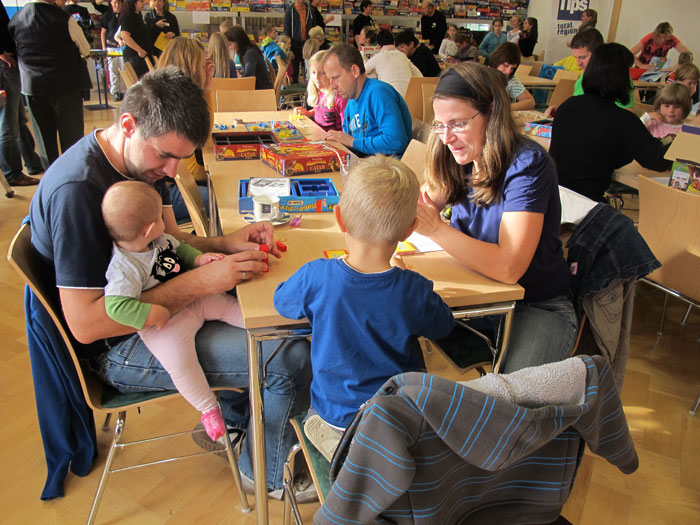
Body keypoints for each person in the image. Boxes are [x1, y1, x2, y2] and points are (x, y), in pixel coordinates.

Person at [28, 67, 313, 500]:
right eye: (165, 156)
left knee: (273, 306)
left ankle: (237, 422)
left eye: (181, 159)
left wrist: (225, 243)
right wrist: (201, 282)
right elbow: (86, 325)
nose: (172, 170)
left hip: (159, 316)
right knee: (290, 357)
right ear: (129, 124)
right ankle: (267, 474)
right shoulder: (78, 192)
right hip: (116, 346)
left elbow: (169, 241)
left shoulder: (139, 167)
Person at [274, 154, 454, 459]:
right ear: (409, 230)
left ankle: (345, 445)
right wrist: (413, 282)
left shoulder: (316, 276)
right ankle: (380, 452)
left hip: (334, 413)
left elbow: (281, 302)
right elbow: (444, 325)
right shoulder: (413, 289)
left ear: (340, 218)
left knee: (322, 413)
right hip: (396, 414)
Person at [416, 62, 577, 373]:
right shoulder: (459, 154)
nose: (446, 137)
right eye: (439, 124)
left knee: (512, 396)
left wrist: (436, 228)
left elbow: (508, 267)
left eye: (457, 123)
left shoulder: (527, 165)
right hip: (478, 296)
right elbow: (421, 205)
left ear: (491, 113)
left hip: (535, 305)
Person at [102, 181, 245, 441]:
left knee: (227, 306)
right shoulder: (123, 267)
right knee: (181, 365)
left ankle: (258, 324)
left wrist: (199, 259)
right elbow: (115, 307)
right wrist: (150, 314)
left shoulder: (157, 239)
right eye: (160, 218)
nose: (165, 223)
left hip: (194, 299)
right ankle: (208, 409)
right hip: (166, 327)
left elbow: (180, 249)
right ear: (148, 228)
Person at [550, 43, 672, 202]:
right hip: (587, 205)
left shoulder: (567, 106)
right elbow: (657, 160)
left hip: (551, 199)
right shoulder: (622, 119)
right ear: (621, 77)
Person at [8, 0, 91, 169]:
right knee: (71, 138)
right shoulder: (64, 19)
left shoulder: (16, 19)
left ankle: (51, 176)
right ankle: (72, 175)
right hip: (65, 85)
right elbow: (86, 49)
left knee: (44, 140)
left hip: (33, 86)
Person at [323, 44, 412, 157]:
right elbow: (351, 146)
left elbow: (396, 142)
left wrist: (352, 142)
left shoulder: (379, 92)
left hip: (386, 166)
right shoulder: (350, 104)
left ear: (355, 71)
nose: (332, 86)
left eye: (335, 77)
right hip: (364, 164)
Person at [0, 0, 44, 187]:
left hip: (8, 65)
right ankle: (12, 173)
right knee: (8, 123)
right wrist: (1, 53)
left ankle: (33, 163)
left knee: (18, 119)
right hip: (5, 67)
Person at [295, 50, 346, 131]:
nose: (317, 78)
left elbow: (347, 129)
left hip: (334, 138)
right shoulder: (319, 91)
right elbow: (320, 111)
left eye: (322, 73)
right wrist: (309, 113)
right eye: (313, 72)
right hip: (318, 134)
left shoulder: (340, 98)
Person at [365, 29, 422, 97]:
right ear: (394, 43)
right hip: (408, 97)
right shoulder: (402, 56)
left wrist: (374, 75)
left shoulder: (378, 57)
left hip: (389, 98)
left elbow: (361, 71)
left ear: (378, 46)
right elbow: (419, 75)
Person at [225, 25, 273, 90]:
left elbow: (248, 79)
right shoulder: (251, 50)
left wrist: (238, 75)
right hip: (261, 90)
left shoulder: (250, 54)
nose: (229, 48)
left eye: (230, 44)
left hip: (261, 92)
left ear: (238, 41)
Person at [488, 42, 534, 111]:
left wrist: (505, 107)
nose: (508, 72)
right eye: (505, 65)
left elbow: (530, 102)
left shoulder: (510, 80)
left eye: (512, 68)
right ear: (496, 61)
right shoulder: (482, 75)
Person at [119, 0, 153, 78]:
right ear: (133, 3)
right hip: (134, 56)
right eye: (141, 1)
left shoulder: (138, 16)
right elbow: (125, 36)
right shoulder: (128, 16)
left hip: (142, 56)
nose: (143, 4)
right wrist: (139, 50)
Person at [100, 0, 126, 101]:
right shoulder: (106, 15)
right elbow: (103, 32)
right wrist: (104, 47)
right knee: (112, 69)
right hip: (110, 46)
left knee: (123, 69)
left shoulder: (126, 15)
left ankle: (123, 91)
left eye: (119, 3)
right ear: (111, 3)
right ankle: (115, 91)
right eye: (115, 2)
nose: (117, 5)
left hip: (123, 47)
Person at [283, 0, 314, 83]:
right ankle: (295, 91)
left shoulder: (310, 10)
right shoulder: (290, 11)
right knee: (294, 71)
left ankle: (309, 90)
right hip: (294, 44)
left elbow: (314, 27)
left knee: (310, 70)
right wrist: (288, 49)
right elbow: (286, 30)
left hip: (307, 44)